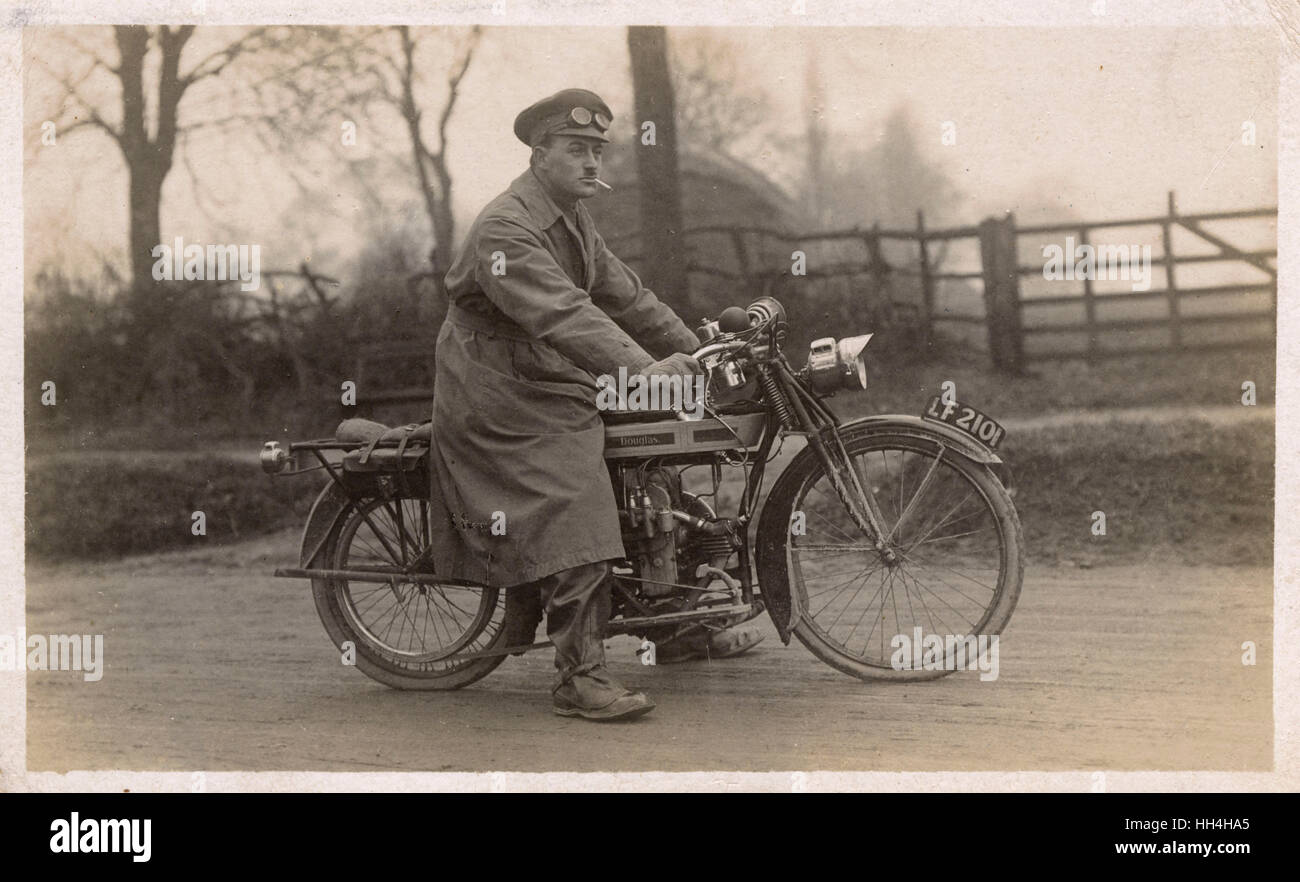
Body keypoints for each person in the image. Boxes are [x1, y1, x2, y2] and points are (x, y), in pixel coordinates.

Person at [428, 88, 761, 721]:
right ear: (539, 153)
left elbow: (629, 300)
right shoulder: (507, 227)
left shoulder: (572, 219)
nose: (591, 163)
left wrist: (702, 353)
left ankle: (669, 624)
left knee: (653, 457)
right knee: (576, 499)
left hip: (551, 377)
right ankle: (577, 678)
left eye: (596, 151)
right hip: (497, 392)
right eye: (576, 149)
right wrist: (646, 370)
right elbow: (564, 314)